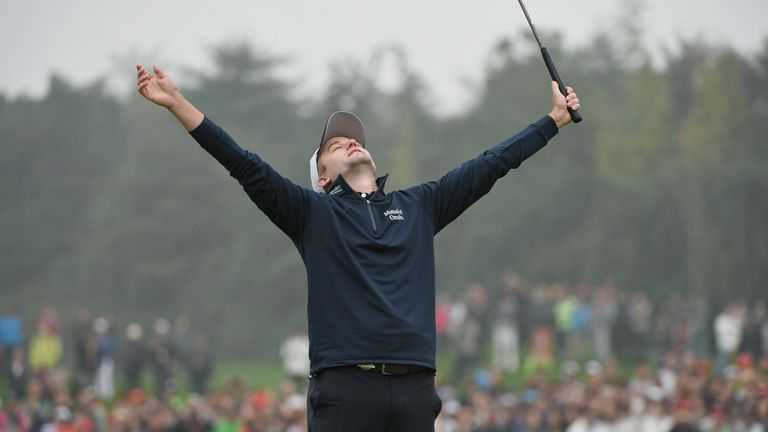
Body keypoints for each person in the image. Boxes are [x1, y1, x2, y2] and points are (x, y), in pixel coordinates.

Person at [136, 63, 581, 431]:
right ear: (323, 176)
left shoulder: (419, 205)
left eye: (355, 139)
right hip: (345, 391)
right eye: (335, 143)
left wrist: (554, 120)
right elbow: (243, 164)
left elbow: (492, 164)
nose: (350, 141)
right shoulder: (312, 213)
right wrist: (177, 103)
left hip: (414, 392)